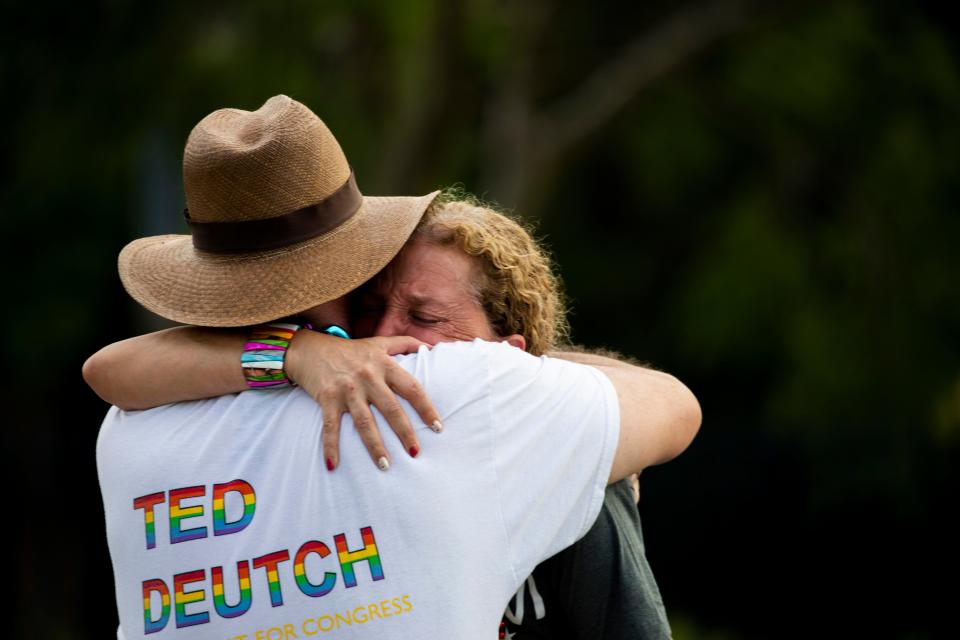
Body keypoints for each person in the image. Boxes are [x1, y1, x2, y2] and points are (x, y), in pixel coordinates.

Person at [89, 95, 700, 639]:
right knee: (599, 486)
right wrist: (532, 380)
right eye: (375, 304)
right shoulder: (452, 393)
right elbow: (674, 406)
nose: (382, 336)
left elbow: (106, 369)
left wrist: (293, 353)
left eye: (421, 316)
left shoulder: (130, 431)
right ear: (343, 260)